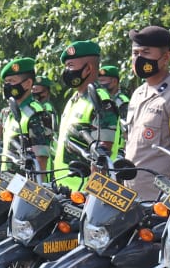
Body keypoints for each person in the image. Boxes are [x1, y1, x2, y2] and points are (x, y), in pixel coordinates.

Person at [122, 27, 170, 204]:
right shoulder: (138, 93)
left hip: (159, 200)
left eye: (146, 52)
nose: (138, 58)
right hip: (132, 196)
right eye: (135, 53)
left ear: (166, 57)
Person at [51, 42, 123, 190]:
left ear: (88, 69)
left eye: (71, 66)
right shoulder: (74, 100)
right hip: (65, 190)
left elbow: (102, 153)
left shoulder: (101, 101)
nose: (66, 71)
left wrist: (92, 194)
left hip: (85, 194)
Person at [0, 57, 55, 177]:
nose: (7, 86)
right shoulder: (10, 112)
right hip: (9, 183)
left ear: (28, 83)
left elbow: (41, 160)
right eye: (6, 82)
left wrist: (34, 192)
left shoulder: (36, 114)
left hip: (28, 187)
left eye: (12, 81)